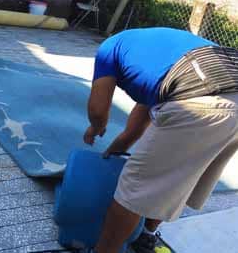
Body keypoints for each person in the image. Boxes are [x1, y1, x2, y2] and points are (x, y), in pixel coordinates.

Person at [83, 27, 238, 253]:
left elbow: (98, 111)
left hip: (201, 95)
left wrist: (95, 128)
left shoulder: (108, 49)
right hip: (223, 78)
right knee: (178, 174)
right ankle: (145, 235)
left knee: (136, 185)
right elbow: (136, 126)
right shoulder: (158, 55)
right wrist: (114, 151)